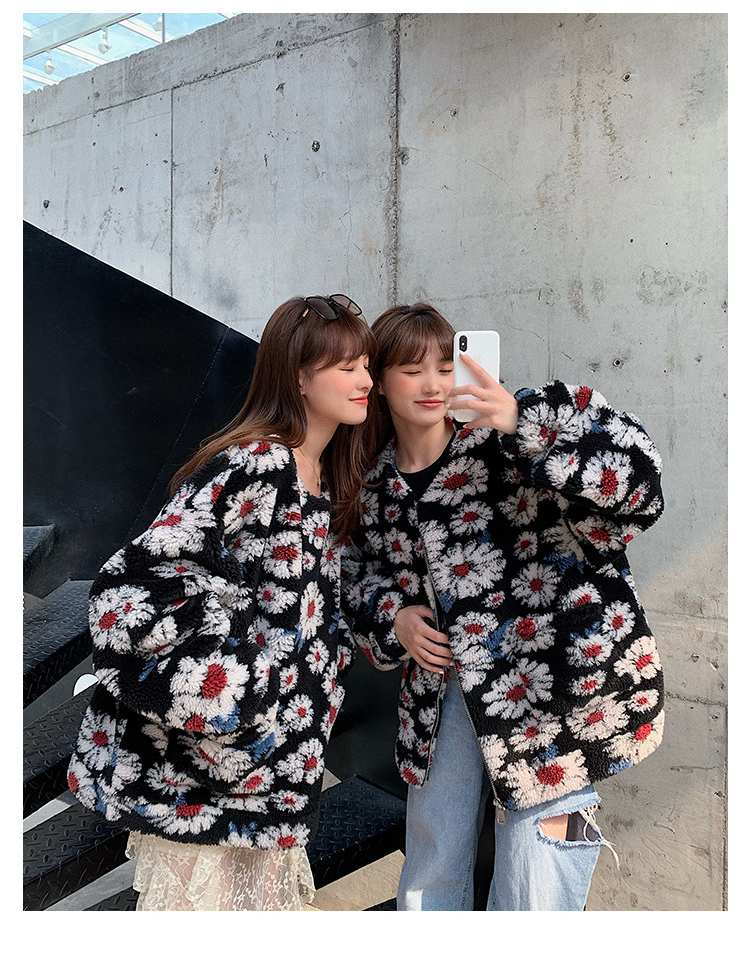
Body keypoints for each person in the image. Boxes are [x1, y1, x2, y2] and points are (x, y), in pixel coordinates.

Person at [341, 303, 665, 911]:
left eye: (445, 366)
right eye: (411, 370)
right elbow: (355, 578)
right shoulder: (374, 484)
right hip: (440, 693)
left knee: (537, 870)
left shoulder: (507, 440)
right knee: (432, 864)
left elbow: (638, 483)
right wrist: (394, 619)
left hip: (545, 690)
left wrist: (525, 424)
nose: (433, 385)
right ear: (379, 381)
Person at [67, 294, 376, 911]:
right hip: (206, 768)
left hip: (273, 773)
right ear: (297, 376)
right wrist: (242, 682)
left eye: (366, 364)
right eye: (347, 367)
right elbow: (138, 585)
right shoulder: (260, 464)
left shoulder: (323, 473)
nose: (365, 380)